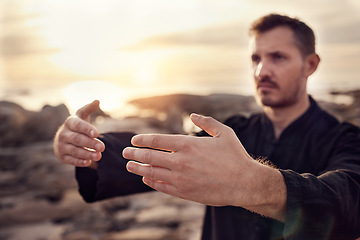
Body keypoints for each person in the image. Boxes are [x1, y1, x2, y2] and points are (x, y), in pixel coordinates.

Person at [53, 13, 360, 239]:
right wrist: (87, 147)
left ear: (310, 64)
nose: (261, 70)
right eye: (256, 58)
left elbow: (348, 201)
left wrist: (250, 183)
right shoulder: (231, 130)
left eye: (278, 57)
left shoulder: (345, 139)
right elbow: (157, 152)